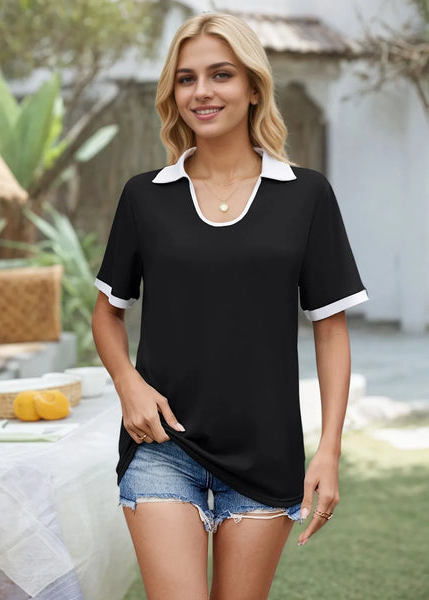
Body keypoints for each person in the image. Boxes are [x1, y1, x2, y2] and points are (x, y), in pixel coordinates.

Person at [91, 12, 369, 600]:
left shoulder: (306, 195)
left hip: (266, 451)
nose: (202, 91)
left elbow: (331, 330)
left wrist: (329, 449)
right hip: (163, 445)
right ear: (173, 93)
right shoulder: (145, 197)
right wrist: (128, 384)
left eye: (221, 74)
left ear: (253, 87)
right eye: (186, 78)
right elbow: (107, 311)